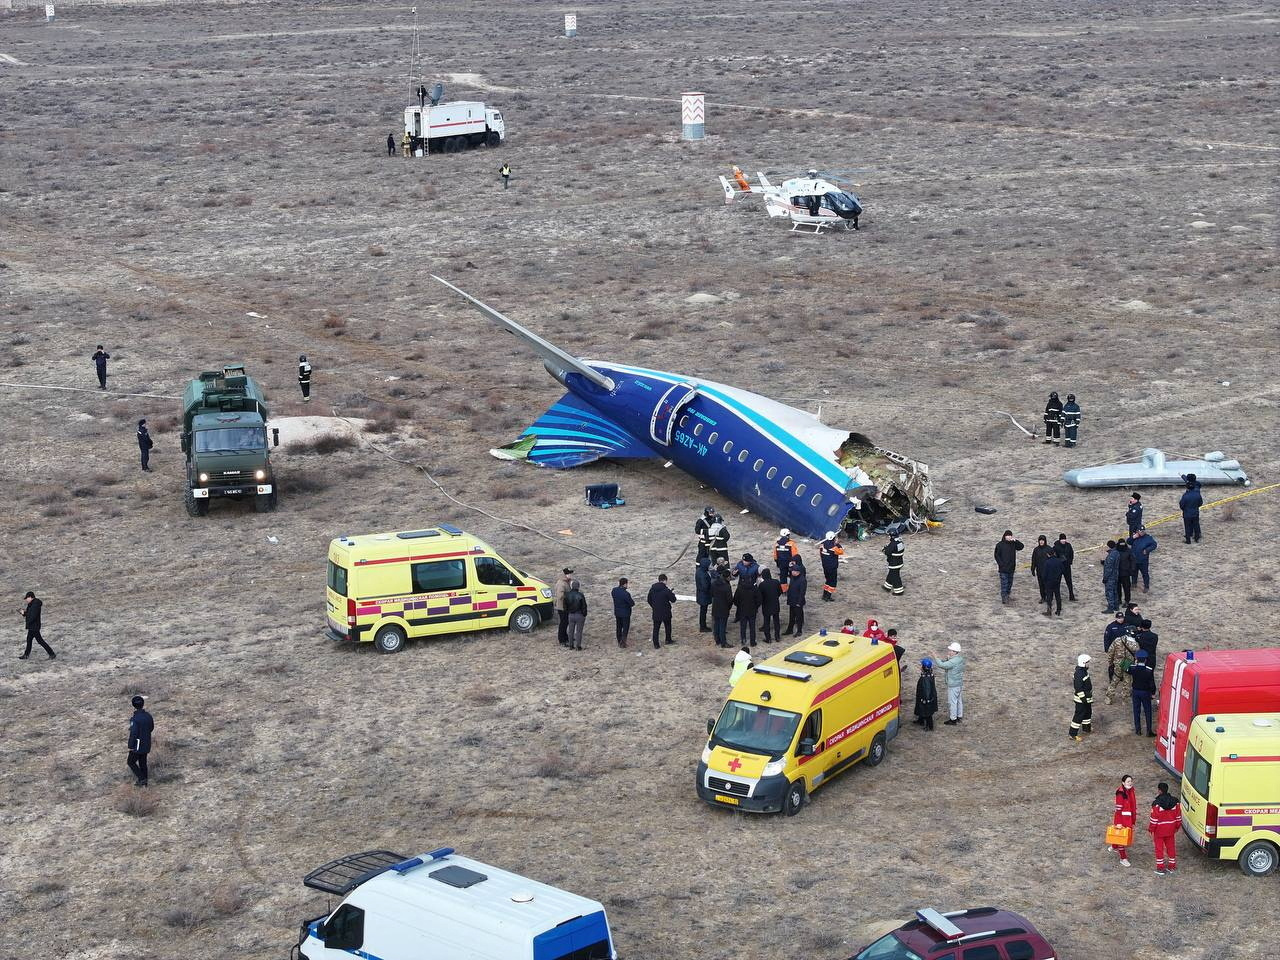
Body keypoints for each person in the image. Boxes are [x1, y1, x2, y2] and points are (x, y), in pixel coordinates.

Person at [1148, 782, 1182, 875]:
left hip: (1159, 830)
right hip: (1171, 829)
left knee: (1159, 849)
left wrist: (1151, 829)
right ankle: (1172, 866)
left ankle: (1160, 868)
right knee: (1171, 847)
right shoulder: (1176, 802)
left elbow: (1153, 819)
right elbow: (1178, 817)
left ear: (1159, 790)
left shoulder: (1156, 804)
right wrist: (1177, 827)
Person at [18, 591, 55, 660]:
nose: (26, 600)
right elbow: (30, 614)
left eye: (27, 598)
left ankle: (52, 654)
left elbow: (33, 616)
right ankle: (26, 655)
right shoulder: (32, 604)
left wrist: (27, 618)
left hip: (34, 626)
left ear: (30, 597)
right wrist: (24, 613)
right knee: (29, 640)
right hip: (32, 626)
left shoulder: (35, 605)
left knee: (40, 641)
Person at [1127, 650, 1157, 736]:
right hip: (1145, 692)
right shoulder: (1148, 670)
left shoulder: (1133, 668)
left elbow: (1126, 668)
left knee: (1136, 711)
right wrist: (1153, 692)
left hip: (1135, 692)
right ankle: (1148, 731)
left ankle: (1138, 730)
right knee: (1148, 711)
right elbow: (1152, 683)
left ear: (1136, 658)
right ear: (1145, 660)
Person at [1104, 633, 1139, 704]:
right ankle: (1124, 699)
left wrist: (1110, 662)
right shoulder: (1135, 644)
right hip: (1128, 664)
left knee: (1115, 680)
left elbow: (1111, 651)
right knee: (1127, 681)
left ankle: (1109, 698)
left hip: (1118, 663)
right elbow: (1137, 656)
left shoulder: (1117, 640)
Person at [127, 695, 154, 787]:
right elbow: (151, 728)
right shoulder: (148, 716)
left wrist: (130, 745)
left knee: (130, 762)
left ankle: (142, 779)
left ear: (133, 705)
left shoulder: (134, 719)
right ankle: (145, 783)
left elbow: (133, 733)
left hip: (138, 745)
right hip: (147, 742)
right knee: (143, 762)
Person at [936, 641, 965, 725]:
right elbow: (950, 663)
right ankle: (959, 716)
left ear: (955, 652)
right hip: (959, 683)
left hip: (953, 685)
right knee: (959, 700)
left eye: (951, 650)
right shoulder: (960, 659)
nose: (949, 651)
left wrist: (936, 657)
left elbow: (942, 665)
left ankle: (953, 719)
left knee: (952, 702)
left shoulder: (953, 661)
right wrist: (949, 658)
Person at [1112, 774, 1138, 867]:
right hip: (1122, 820)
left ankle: (1114, 846)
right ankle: (1123, 858)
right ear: (1123, 783)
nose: (1130, 783)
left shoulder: (1130, 791)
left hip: (1128, 819)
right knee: (1121, 839)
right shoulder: (1120, 793)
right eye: (1128, 781)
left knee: (1121, 837)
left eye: (1131, 781)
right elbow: (1118, 810)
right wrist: (1118, 823)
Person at [647, 574, 677, 648]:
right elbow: (673, 600)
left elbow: (649, 600)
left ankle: (656, 644)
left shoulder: (652, 589)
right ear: (665, 580)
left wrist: (654, 606)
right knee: (668, 626)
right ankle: (668, 639)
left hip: (656, 612)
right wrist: (671, 593)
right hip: (666, 612)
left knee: (656, 628)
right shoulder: (666, 590)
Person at [994, 530, 1024, 604]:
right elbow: (996, 555)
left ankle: (1007, 595)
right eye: (1007, 535)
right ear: (1004, 536)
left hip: (1011, 568)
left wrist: (1016, 541)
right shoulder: (999, 545)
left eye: (1010, 535)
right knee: (1004, 583)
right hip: (1003, 569)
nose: (1009, 536)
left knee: (1010, 583)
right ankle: (1004, 597)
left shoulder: (1013, 544)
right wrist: (1001, 564)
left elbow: (1021, 547)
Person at [732, 571, 759, 648]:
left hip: (742, 610)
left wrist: (739, 606)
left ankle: (743, 639)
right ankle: (752, 642)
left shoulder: (739, 589)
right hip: (752, 610)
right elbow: (759, 600)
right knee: (752, 626)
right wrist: (756, 607)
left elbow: (735, 600)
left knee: (743, 626)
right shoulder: (754, 589)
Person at [1070, 653, 1094, 741]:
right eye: (1088, 662)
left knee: (1088, 713)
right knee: (1079, 716)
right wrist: (1084, 700)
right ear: (1083, 663)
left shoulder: (1083, 671)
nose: (1089, 664)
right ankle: (1072, 734)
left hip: (1086, 699)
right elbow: (1079, 689)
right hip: (1081, 700)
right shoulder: (1079, 674)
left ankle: (1086, 728)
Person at [1128, 527, 1158, 593]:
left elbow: (1154, 544)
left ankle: (1146, 586)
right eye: (1141, 531)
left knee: (1145, 574)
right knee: (1134, 572)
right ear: (1137, 531)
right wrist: (1133, 537)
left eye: (1143, 531)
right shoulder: (1135, 537)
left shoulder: (1148, 538)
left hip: (1143, 560)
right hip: (1134, 559)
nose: (1142, 532)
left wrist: (1147, 550)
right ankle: (1134, 583)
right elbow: (1128, 542)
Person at [817, 532, 844, 601]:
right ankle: (828, 597)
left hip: (825, 566)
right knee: (832, 582)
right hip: (832, 567)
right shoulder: (834, 547)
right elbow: (841, 552)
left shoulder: (822, 545)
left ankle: (824, 595)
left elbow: (821, 554)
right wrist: (838, 544)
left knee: (828, 581)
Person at [710, 570, 733, 648]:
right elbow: (730, 599)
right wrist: (729, 607)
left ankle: (717, 640)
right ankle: (723, 642)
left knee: (716, 624)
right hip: (724, 608)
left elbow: (711, 593)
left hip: (716, 607)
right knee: (722, 626)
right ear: (727, 577)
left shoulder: (714, 583)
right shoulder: (727, 587)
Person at [758, 569, 782, 643]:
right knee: (776, 622)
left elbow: (760, 596)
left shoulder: (762, 585)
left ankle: (768, 638)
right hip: (775, 604)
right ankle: (777, 637)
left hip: (766, 605)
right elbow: (780, 592)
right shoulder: (776, 582)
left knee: (767, 622)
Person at [914, 658, 938, 731]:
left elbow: (927, 689)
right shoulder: (929, 675)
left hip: (925, 697)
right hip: (923, 695)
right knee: (921, 709)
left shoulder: (926, 678)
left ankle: (929, 726)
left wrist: (926, 699)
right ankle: (920, 720)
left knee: (927, 712)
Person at [784, 561, 807, 636]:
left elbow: (802, 593)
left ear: (799, 572)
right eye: (792, 571)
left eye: (794, 571)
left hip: (797, 602)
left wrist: (799, 603)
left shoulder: (802, 580)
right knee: (791, 616)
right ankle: (790, 629)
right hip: (791, 600)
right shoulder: (792, 578)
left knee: (799, 617)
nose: (793, 572)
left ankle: (799, 631)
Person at [1041, 547, 1065, 617]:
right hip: (1057, 581)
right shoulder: (1059, 561)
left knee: (1049, 596)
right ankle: (1058, 610)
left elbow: (1044, 574)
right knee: (1058, 595)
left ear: (1048, 554)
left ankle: (1049, 610)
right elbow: (1063, 570)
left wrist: (1044, 580)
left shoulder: (1047, 562)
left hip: (1049, 582)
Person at [564, 580, 587, 651]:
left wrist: (568, 612)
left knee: (571, 631)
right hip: (579, 614)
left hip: (571, 614)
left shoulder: (567, 595)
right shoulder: (580, 595)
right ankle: (578, 646)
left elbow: (565, 605)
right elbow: (584, 606)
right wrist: (584, 614)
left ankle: (571, 645)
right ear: (578, 586)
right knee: (579, 631)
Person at [1179, 475, 1203, 544]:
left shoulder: (1185, 496)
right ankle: (1197, 537)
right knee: (1196, 524)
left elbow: (1182, 505)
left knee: (1187, 526)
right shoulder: (1197, 492)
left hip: (1187, 513)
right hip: (1195, 512)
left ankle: (1188, 539)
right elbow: (1200, 503)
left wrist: (1184, 509)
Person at [611, 577, 634, 648]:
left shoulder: (614, 591)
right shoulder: (626, 594)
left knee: (618, 627)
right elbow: (632, 603)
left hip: (617, 612)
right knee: (625, 628)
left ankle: (619, 640)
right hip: (625, 613)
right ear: (624, 584)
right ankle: (623, 642)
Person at [553, 568, 573, 646]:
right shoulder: (561, 584)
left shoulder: (566, 582)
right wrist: (569, 595)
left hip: (565, 606)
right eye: (570, 574)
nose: (571, 575)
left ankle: (565, 637)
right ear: (566, 575)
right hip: (562, 607)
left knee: (565, 622)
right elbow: (560, 596)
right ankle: (561, 640)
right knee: (563, 623)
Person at [1030, 535, 1053, 603]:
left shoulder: (1049, 549)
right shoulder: (1036, 550)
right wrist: (1033, 569)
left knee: (1048, 585)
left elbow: (1053, 559)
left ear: (1045, 541)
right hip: (1039, 570)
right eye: (1040, 540)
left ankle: (1049, 597)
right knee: (1041, 585)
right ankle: (1043, 597)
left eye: (1042, 540)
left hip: (1048, 571)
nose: (1041, 541)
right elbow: (1033, 560)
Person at [1055, 533, 1077, 601]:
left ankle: (1071, 596)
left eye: (1064, 539)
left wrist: (1070, 561)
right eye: (1062, 539)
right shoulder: (1056, 546)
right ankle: (1058, 597)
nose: (1063, 541)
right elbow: (1054, 556)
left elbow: (1071, 554)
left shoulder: (1068, 545)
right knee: (1057, 582)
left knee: (1069, 582)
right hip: (1059, 567)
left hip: (1067, 566)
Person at [1101, 541, 1120, 614]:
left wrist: (1105, 578)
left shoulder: (1111, 556)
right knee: (1115, 591)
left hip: (1110, 577)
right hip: (1115, 576)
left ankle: (1110, 607)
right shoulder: (1116, 553)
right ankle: (1116, 605)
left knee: (1109, 592)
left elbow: (1109, 568)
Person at [1116, 541, 1137, 607]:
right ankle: (1118, 600)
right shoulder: (1115, 551)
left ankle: (1127, 601)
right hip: (1117, 573)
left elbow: (1133, 560)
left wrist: (1132, 570)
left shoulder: (1129, 551)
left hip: (1126, 573)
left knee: (1127, 588)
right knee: (1117, 588)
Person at [694, 557, 712, 633]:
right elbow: (705, 587)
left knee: (703, 610)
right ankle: (703, 626)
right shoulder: (704, 575)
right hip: (704, 595)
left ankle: (702, 625)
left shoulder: (698, 571)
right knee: (703, 611)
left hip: (700, 594)